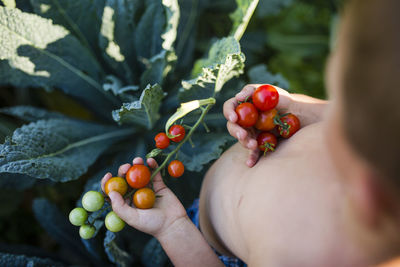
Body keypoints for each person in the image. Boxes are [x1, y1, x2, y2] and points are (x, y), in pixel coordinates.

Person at [101, 0, 400, 266]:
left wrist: (173, 228)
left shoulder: (293, 256)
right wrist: (299, 108)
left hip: (204, 246)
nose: (332, 108)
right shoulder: (380, 140)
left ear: (369, 195)